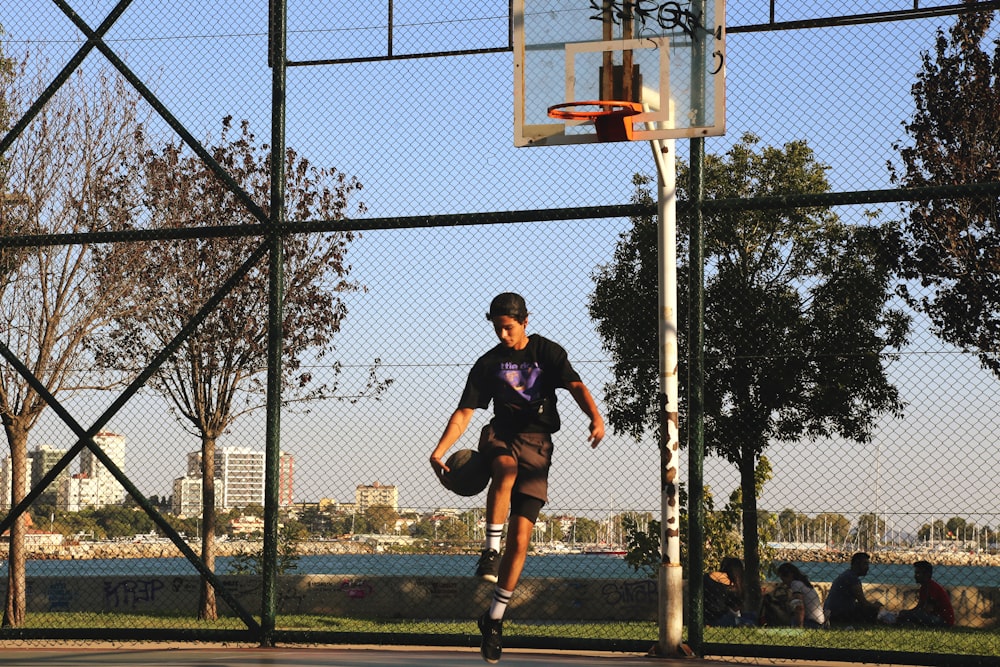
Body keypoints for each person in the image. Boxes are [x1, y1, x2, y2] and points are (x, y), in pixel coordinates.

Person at [429, 293, 605, 664]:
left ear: (525, 321)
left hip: (539, 446)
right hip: (500, 436)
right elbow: (464, 412)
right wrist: (439, 450)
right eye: (496, 328)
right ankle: (489, 550)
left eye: (508, 327)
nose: (503, 334)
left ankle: (493, 620)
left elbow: (576, 386)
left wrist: (595, 416)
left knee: (522, 541)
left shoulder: (548, 353)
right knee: (504, 470)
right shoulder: (489, 363)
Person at [823, 551, 882, 626]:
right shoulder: (852, 579)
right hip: (838, 614)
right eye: (865, 564)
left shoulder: (847, 574)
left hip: (831, 612)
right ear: (857, 564)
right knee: (871, 610)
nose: (867, 567)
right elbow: (863, 602)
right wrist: (876, 606)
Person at [896, 560, 954, 627]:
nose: (915, 576)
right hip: (934, 617)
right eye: (915, 573)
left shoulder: (932, 587)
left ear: (927, 574)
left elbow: (928, 609)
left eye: (918, 573)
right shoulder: (924, 588)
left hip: (943, 620)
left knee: (910, 616)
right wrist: (906, 612)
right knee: (904, 614)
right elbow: (919, 607)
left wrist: (910, 614)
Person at [703, 557, 754, 626]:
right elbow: (735, 608)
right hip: (720, 618)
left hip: (705, 616)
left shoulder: (708, 576)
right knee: (751, 618)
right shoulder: (731, 584)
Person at [776, 562, 825, 628]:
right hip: (819, 622)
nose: (783, 582)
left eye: (783, 578)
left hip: (812, 623)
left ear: (790, 575)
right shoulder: (804, 583)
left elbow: (799, 607)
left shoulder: (795, 584)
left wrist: (799, 626)